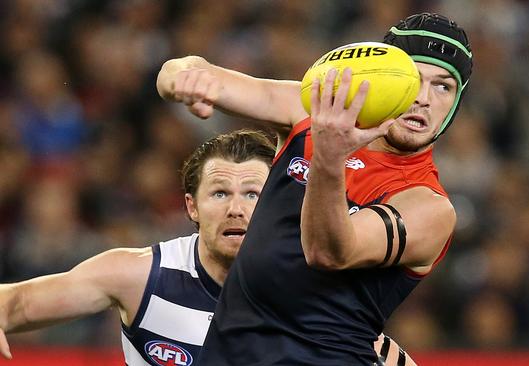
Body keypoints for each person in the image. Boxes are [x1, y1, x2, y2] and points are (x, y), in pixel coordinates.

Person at [157, 12, 472, 365]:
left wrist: (328, 157)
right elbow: (182, 70)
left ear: (456, 103)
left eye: (443, 86)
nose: (424, 99)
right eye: (412, 79)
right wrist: (186, 82)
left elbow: (327, 252)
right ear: (384, 77)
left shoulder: (428, 205)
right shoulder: (311, 111)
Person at [0, 129, 415, 366]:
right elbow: (16, 304)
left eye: (254, 194)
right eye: (219, 193)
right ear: (191, 206)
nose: (236, 209)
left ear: (277, 203)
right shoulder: (140, 277)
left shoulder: (321, 299)